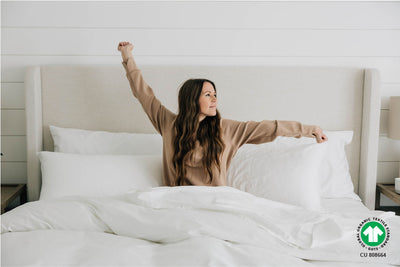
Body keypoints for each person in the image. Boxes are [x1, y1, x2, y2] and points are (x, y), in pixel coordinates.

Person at [118, 41, 328, 187]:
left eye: (215, 94)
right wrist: (127, 56)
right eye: (208, 94)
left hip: (216, 206)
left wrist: (310, 130)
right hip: (177, 206)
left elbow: (269, 127)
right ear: (191, 99)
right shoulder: (168, 123)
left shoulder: (227, 129)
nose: (214, 99)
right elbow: (143, 93)